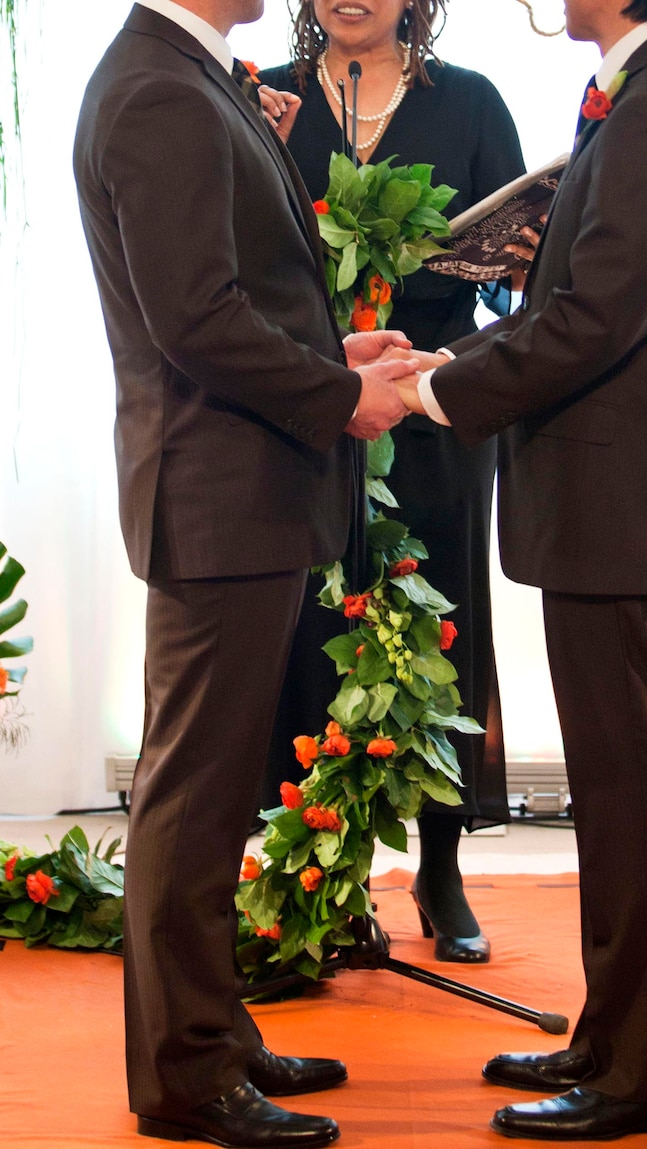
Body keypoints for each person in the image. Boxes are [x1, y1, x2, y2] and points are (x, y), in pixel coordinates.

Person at [391, 0, 647, 1139]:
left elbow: (594, 320)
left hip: (623, 503)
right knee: (617, 795)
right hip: (613, 502)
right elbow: (570, 303)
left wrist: (435, 390)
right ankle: (614, 1037)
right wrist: (448, 355)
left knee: (638, 801)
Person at [73, 1, 420, 1145]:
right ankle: (183, 1076)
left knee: (217, 790)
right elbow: (197, 320)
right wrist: (338, 396)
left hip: (245, 488)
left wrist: (334, 353)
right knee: (193, 793)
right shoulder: (161, 89)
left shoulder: (191, 71)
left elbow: (244, 291)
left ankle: (217, 1037)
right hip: (218, 494)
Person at [256, 0, 526, 963]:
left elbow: (521, 283)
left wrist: (448, 370)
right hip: (311, 405)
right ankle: (330, 876)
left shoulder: (474, 104)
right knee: (315, 627)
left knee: (438, 624)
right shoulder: (267, 99)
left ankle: (442, 871)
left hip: (434, 407)